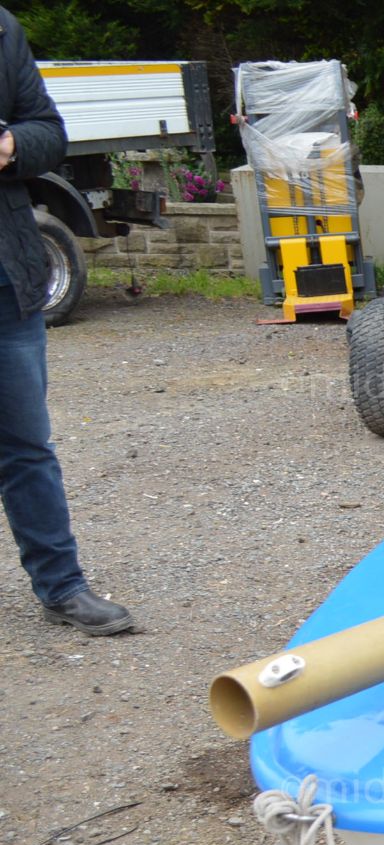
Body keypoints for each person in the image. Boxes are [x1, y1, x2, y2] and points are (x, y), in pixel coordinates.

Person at [0, 8, 131, 635]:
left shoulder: (1, 30)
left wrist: (10, 145)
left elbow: (49, 131)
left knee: (26, 447)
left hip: (6, 276)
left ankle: (62, 588)